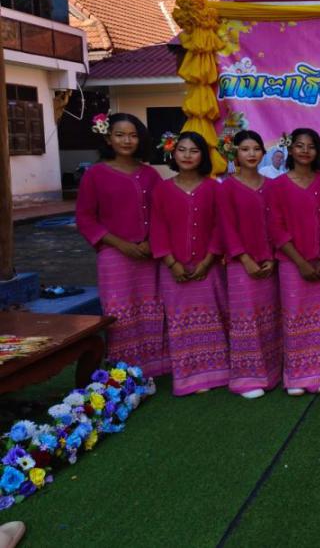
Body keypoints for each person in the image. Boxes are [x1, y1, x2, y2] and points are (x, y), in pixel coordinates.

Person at [76, 113, 167, 376]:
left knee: (152, 307)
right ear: (108, 138)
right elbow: (85, 218)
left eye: (133, 135)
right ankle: (122, 369)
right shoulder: (95, 175)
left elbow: (163, 213)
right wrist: (120, 244)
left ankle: (156, 366)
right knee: (120, 310)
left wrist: (151, 242)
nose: (127, 140)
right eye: (120, 135)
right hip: (113, 254)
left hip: (149, 254)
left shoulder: (150, 175)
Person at [149, 131, 229, 396]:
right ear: (173, 153)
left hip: (209, 267)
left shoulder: (214, 188)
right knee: (181, 322)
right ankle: (188, 377)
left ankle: (216, 372)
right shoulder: (162, 189)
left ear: (203, 156)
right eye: (182, 150)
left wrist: (208, 260)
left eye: (194, 151)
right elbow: (158, 228)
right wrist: (172, 263)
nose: (187, 155)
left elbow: (219, 227)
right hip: (174, 270)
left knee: (212, 318)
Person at [269, 128, 320, 395]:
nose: (305, 151)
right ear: (290, 149)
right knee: (295, 318)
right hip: (292, 264)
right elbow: (276, 228)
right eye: (299, 145)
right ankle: (295, 377)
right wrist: (301, 263)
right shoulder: (277, 186)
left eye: (311, 146)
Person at [217, 130, 282, 399]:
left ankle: (273, 371)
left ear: (263, 153)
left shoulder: (272, 186)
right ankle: (247, 378)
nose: (251, 154)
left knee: (270, 317)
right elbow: (227, 227)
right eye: (245, 149)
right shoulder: (227, 187)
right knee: (246, 320)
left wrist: (273, 257)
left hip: (270, 263)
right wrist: (244, 259)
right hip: (241, 265)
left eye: (256, 149)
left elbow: (277, 225)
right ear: (235, 154)